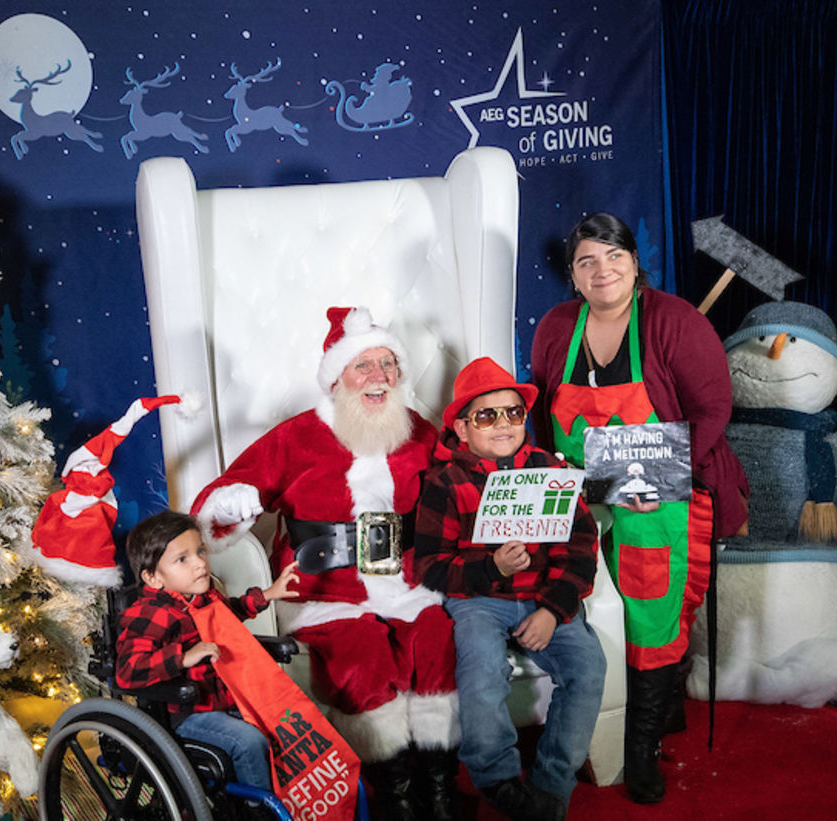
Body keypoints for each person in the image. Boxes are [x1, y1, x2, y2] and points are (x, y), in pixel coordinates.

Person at [191, 307, 459, 821]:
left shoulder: (419, 432)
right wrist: (230, 501)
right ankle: (395, 797)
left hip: (407, 585)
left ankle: (439, 791)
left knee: (438, 637)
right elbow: (221, 497)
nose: (378, 377)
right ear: (337, 376)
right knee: (360, 656)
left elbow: (463, 482)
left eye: (388, 364)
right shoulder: (295, 437)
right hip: (322, 594)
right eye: (364, 365)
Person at [531, 212, 749, 804]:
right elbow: (541, 408)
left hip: (656, 491)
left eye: (613, 257)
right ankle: (587, 721)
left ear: (633, 262)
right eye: (586, 262)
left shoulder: (674, 321)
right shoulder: (555, 327)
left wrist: (659, 473)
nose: (602, 271)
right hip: (580, 491)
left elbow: (712, 409)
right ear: (573, 276)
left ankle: (641, 747)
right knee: (583, 604)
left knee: (650, 613)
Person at [414, 357, 606, 821]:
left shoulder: (550, 471)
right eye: (487, 415)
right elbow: (431, 568)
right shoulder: (445, 482)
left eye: (514, 413)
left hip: (543, 596)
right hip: (480, 601)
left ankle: (551, 788)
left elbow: (580, 550)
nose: (503, 424)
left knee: (588, 664)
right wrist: (491, 567)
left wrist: (552, 610)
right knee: (481, 669)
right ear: (461, 428)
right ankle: (496, 778)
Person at [116, 510, 301, 795]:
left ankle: (298, 798)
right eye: (183, 559)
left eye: (200, 551)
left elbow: (230, 613)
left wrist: (269, 594)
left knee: (287, 720)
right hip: (187, 714)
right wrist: (182, 657)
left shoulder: (204, 596)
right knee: (248, 741)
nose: (200, 563)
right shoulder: (151, 614)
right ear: (153, 578)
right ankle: (256, 811)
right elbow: (128, 671)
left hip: (226, 699)